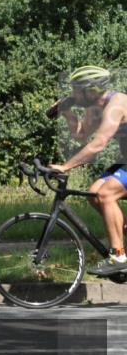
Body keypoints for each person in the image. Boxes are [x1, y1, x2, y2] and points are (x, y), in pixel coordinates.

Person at [47, 65, 127, 276]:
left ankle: (118, 256)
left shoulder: (115, 107)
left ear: (91, 90)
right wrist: (66, 112)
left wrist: (66, 166)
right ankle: (121, 236)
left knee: (106, 193)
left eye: (76, 89)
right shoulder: (96, 110)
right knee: (94, 193)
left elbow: (98, 144)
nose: (73, 94)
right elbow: (81, 135)